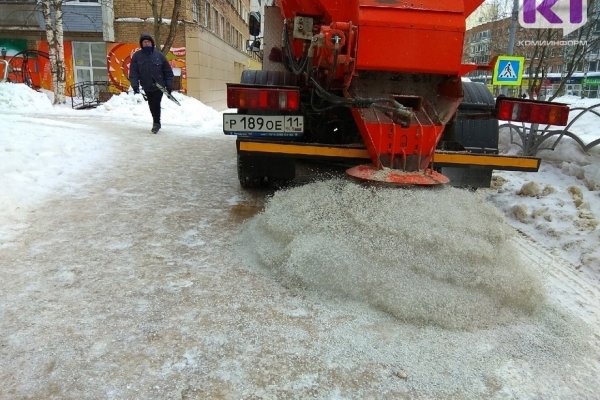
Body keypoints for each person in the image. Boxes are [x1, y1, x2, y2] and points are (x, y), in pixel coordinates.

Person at [128, 33, 174, 134]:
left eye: (148, 42)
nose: (147, 44)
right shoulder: (137, 57)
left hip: (159, 86)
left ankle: (156, 123)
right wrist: (135, 86)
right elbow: (133, 73)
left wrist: (169, 85)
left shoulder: (159, 55)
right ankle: (156, 121)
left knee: (156, 103)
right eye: (144, 42)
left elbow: (168, 72)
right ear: (141, 44)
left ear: (152, 43)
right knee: (151, 104)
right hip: (146, 85)